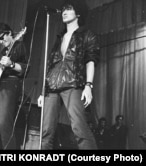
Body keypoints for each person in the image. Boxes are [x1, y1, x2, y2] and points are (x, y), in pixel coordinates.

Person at [37, 0, 100, 149]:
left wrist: (88, 85)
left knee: (79, 129)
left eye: (69, 8)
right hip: (52, 87)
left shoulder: (86, 34)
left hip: (73, 83)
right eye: (63, 9)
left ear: (78, 12)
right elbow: (51, 65)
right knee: (46, 131)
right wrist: (43, 91)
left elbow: (91, 60)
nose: (64, 11)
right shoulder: (59, 38)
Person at [0, 23, 28, 149]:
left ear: (9, 33)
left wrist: (12, 64)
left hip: (10, 84)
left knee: (4, 125)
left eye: (2, 38)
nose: (1, 41)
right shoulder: (4, 51)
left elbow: (25, 68)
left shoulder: (20, 46)